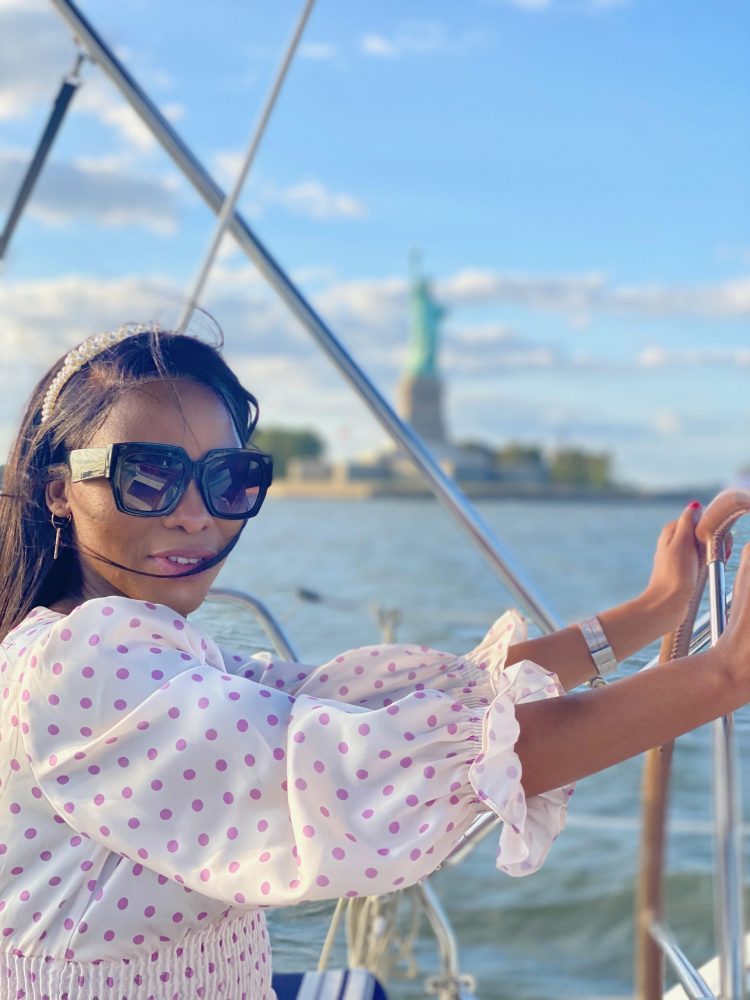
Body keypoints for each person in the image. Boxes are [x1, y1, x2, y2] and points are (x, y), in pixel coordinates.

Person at [0, 323, 748, 1000]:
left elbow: (381, 706)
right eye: (149, 474)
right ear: (58, 490)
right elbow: (367, 766)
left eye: (229, 479)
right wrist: (726, 675)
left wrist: (653, 611)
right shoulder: (82, 664)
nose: (194, 511)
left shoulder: (137, 646)